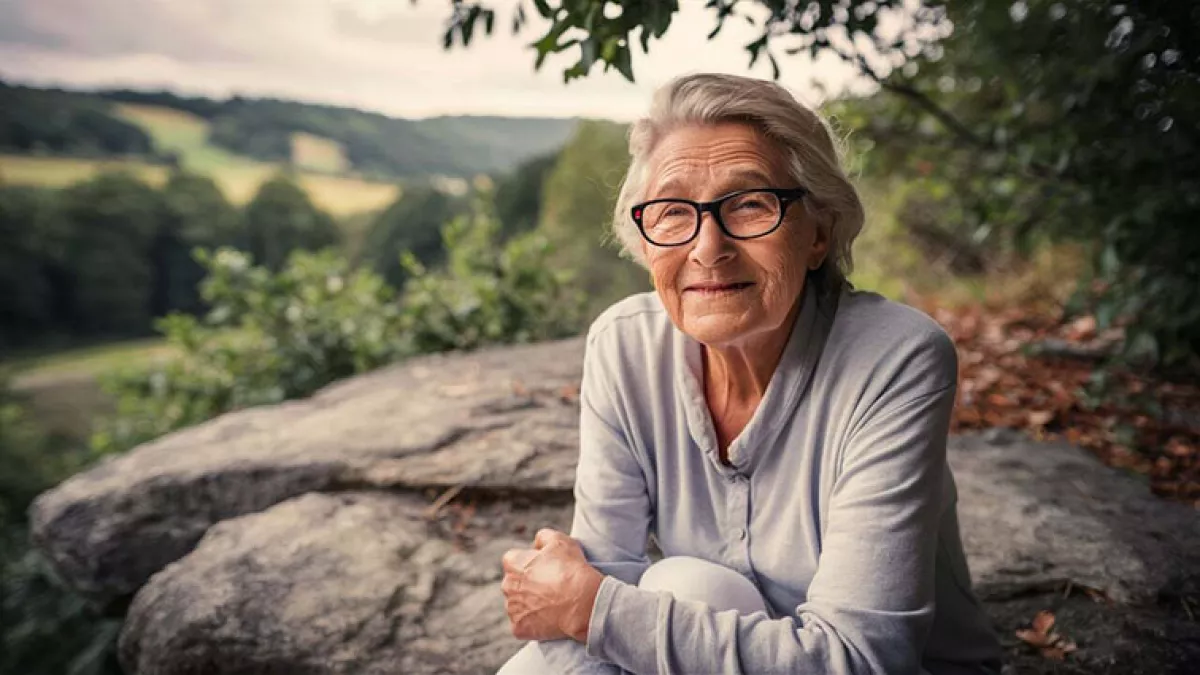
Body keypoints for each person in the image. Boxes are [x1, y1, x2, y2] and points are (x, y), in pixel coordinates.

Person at [495, 72, 1003, 675]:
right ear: (645, 238)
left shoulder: (896, 360)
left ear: (818, 232)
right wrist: (586, 607)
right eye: (673, 212)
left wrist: (586, 607)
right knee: (681, 590)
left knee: (668, 595)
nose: (708, 248)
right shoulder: (624, 346)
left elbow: (862, 659)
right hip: (710, 637)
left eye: (750, 204)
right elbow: (601, 587)